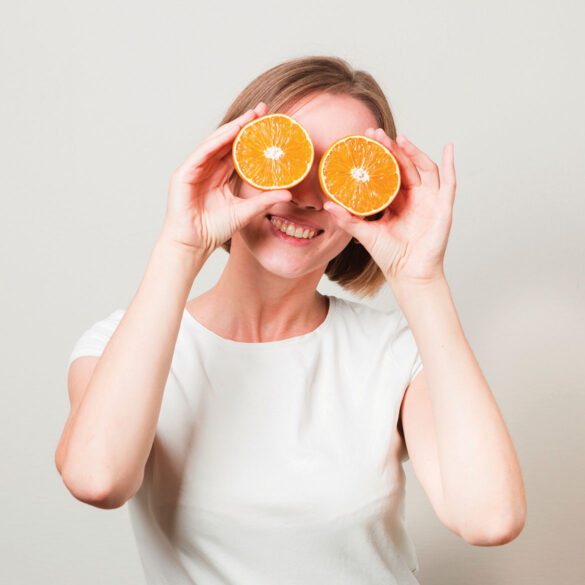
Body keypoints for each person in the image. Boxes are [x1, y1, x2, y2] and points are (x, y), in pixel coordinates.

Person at [55, 56, 526, 584]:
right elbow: (97, 479)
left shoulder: (393, 355)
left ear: (373, 199)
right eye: (286, 158)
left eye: (342, 173)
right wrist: (179, 245)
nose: (306, 197)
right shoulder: (122, 346)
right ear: (233, 165)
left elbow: (491, 518)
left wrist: (422, 280)